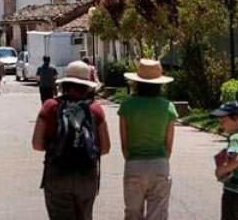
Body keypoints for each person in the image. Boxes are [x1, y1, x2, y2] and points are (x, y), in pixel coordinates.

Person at [31, 60, 111, 220]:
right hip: (87, 175)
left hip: (57, 173)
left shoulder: (50, 106)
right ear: (87, 85)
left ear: (65, 83)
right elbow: (105, 148)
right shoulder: (95, 110)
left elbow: (37, 144)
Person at [119, 59, 177, 220]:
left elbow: (124, 144)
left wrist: (133, 159)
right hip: (159, 163)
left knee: (132, 214)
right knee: (157, 215)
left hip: (134, 164)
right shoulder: (168, 107)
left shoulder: (127, 105)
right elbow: (169, 146)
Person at [211, 101, 238, 220]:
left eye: (224, 121)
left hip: (234, 192)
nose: (221, 124)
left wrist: (220, 170)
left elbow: (237, 160)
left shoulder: (235, 138)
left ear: (235, 118)